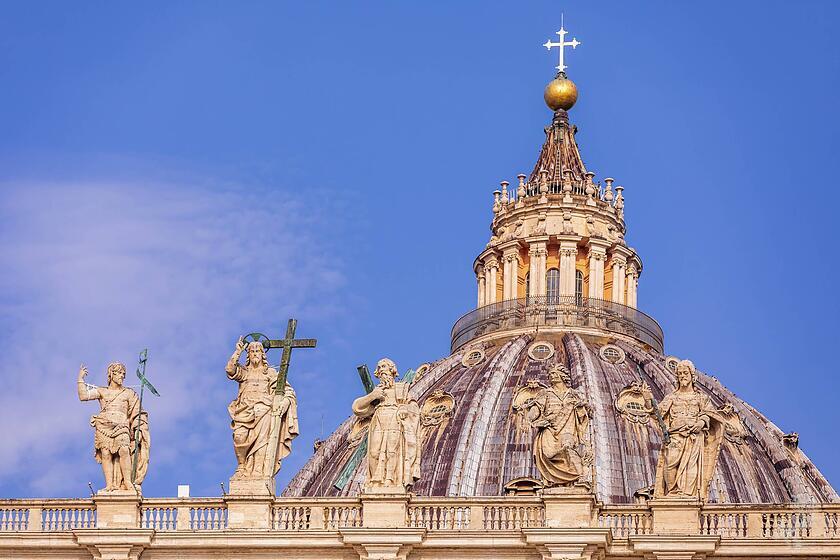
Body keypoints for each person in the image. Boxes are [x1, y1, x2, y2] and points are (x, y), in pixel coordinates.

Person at [649, 359, 723, 498]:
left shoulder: (701, 398)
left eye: (685, 373)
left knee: (691, 466)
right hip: (675, 435)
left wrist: (701, 423)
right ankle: (672, 492)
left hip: (694, 436)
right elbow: (657, 413)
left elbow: (709, 414)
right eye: (680, 374)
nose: (682, 376)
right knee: (670, 463)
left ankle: (686, 494)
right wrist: (648, 398)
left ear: (692, 375)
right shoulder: (672, 397)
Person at [226, 338, 299, 480]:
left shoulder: (270, 373)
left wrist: (284, 402)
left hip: (264, 410)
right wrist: (238, 352)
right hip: (243, 411)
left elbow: (287, 390)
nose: (254, 354)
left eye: (257, 351)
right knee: (239, 437)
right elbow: (230, 370)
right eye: (251, 351)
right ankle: (242, 467)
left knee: (262, 442)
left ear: (262, 354)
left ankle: (258, 470)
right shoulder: (244, 372)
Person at [77, 362, 148, 492]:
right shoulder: (102, 391)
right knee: (106, 453)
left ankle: (127, 482)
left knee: (124, 450)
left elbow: (138, 411)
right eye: (119, 373)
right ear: (112, 374)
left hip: (122, 424)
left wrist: (139, 425)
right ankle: (109, 485)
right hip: (104, 425)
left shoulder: (129, 393)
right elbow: (83, 396)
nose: (122, 376)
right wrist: (80, 379)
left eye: (123, 374)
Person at [516, 364, 591, 486]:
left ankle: (579, 476)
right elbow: (537, 409)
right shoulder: (545, 393)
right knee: (548, 453)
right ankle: (558, 481)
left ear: (562, 376)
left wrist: (582, 408)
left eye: (554, 374)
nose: (551, 376)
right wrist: (529, 419)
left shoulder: (573, 394)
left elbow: (586, 412)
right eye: (550, 374)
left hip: (568, 428)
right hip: (549, 428)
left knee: (568, 448)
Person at [352, 358, 421, 490]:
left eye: (384, 366)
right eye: (379, 367)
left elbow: (413, 406)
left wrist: (403, 409)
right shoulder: (376, 392)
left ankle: (389, 479)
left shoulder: (402, 388)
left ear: (392, 370)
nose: (382, 370)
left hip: (395, 419)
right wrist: (373, 396)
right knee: (374, 452)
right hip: (378, 419)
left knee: (392, 451)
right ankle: (376, 480)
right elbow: (357, 407)